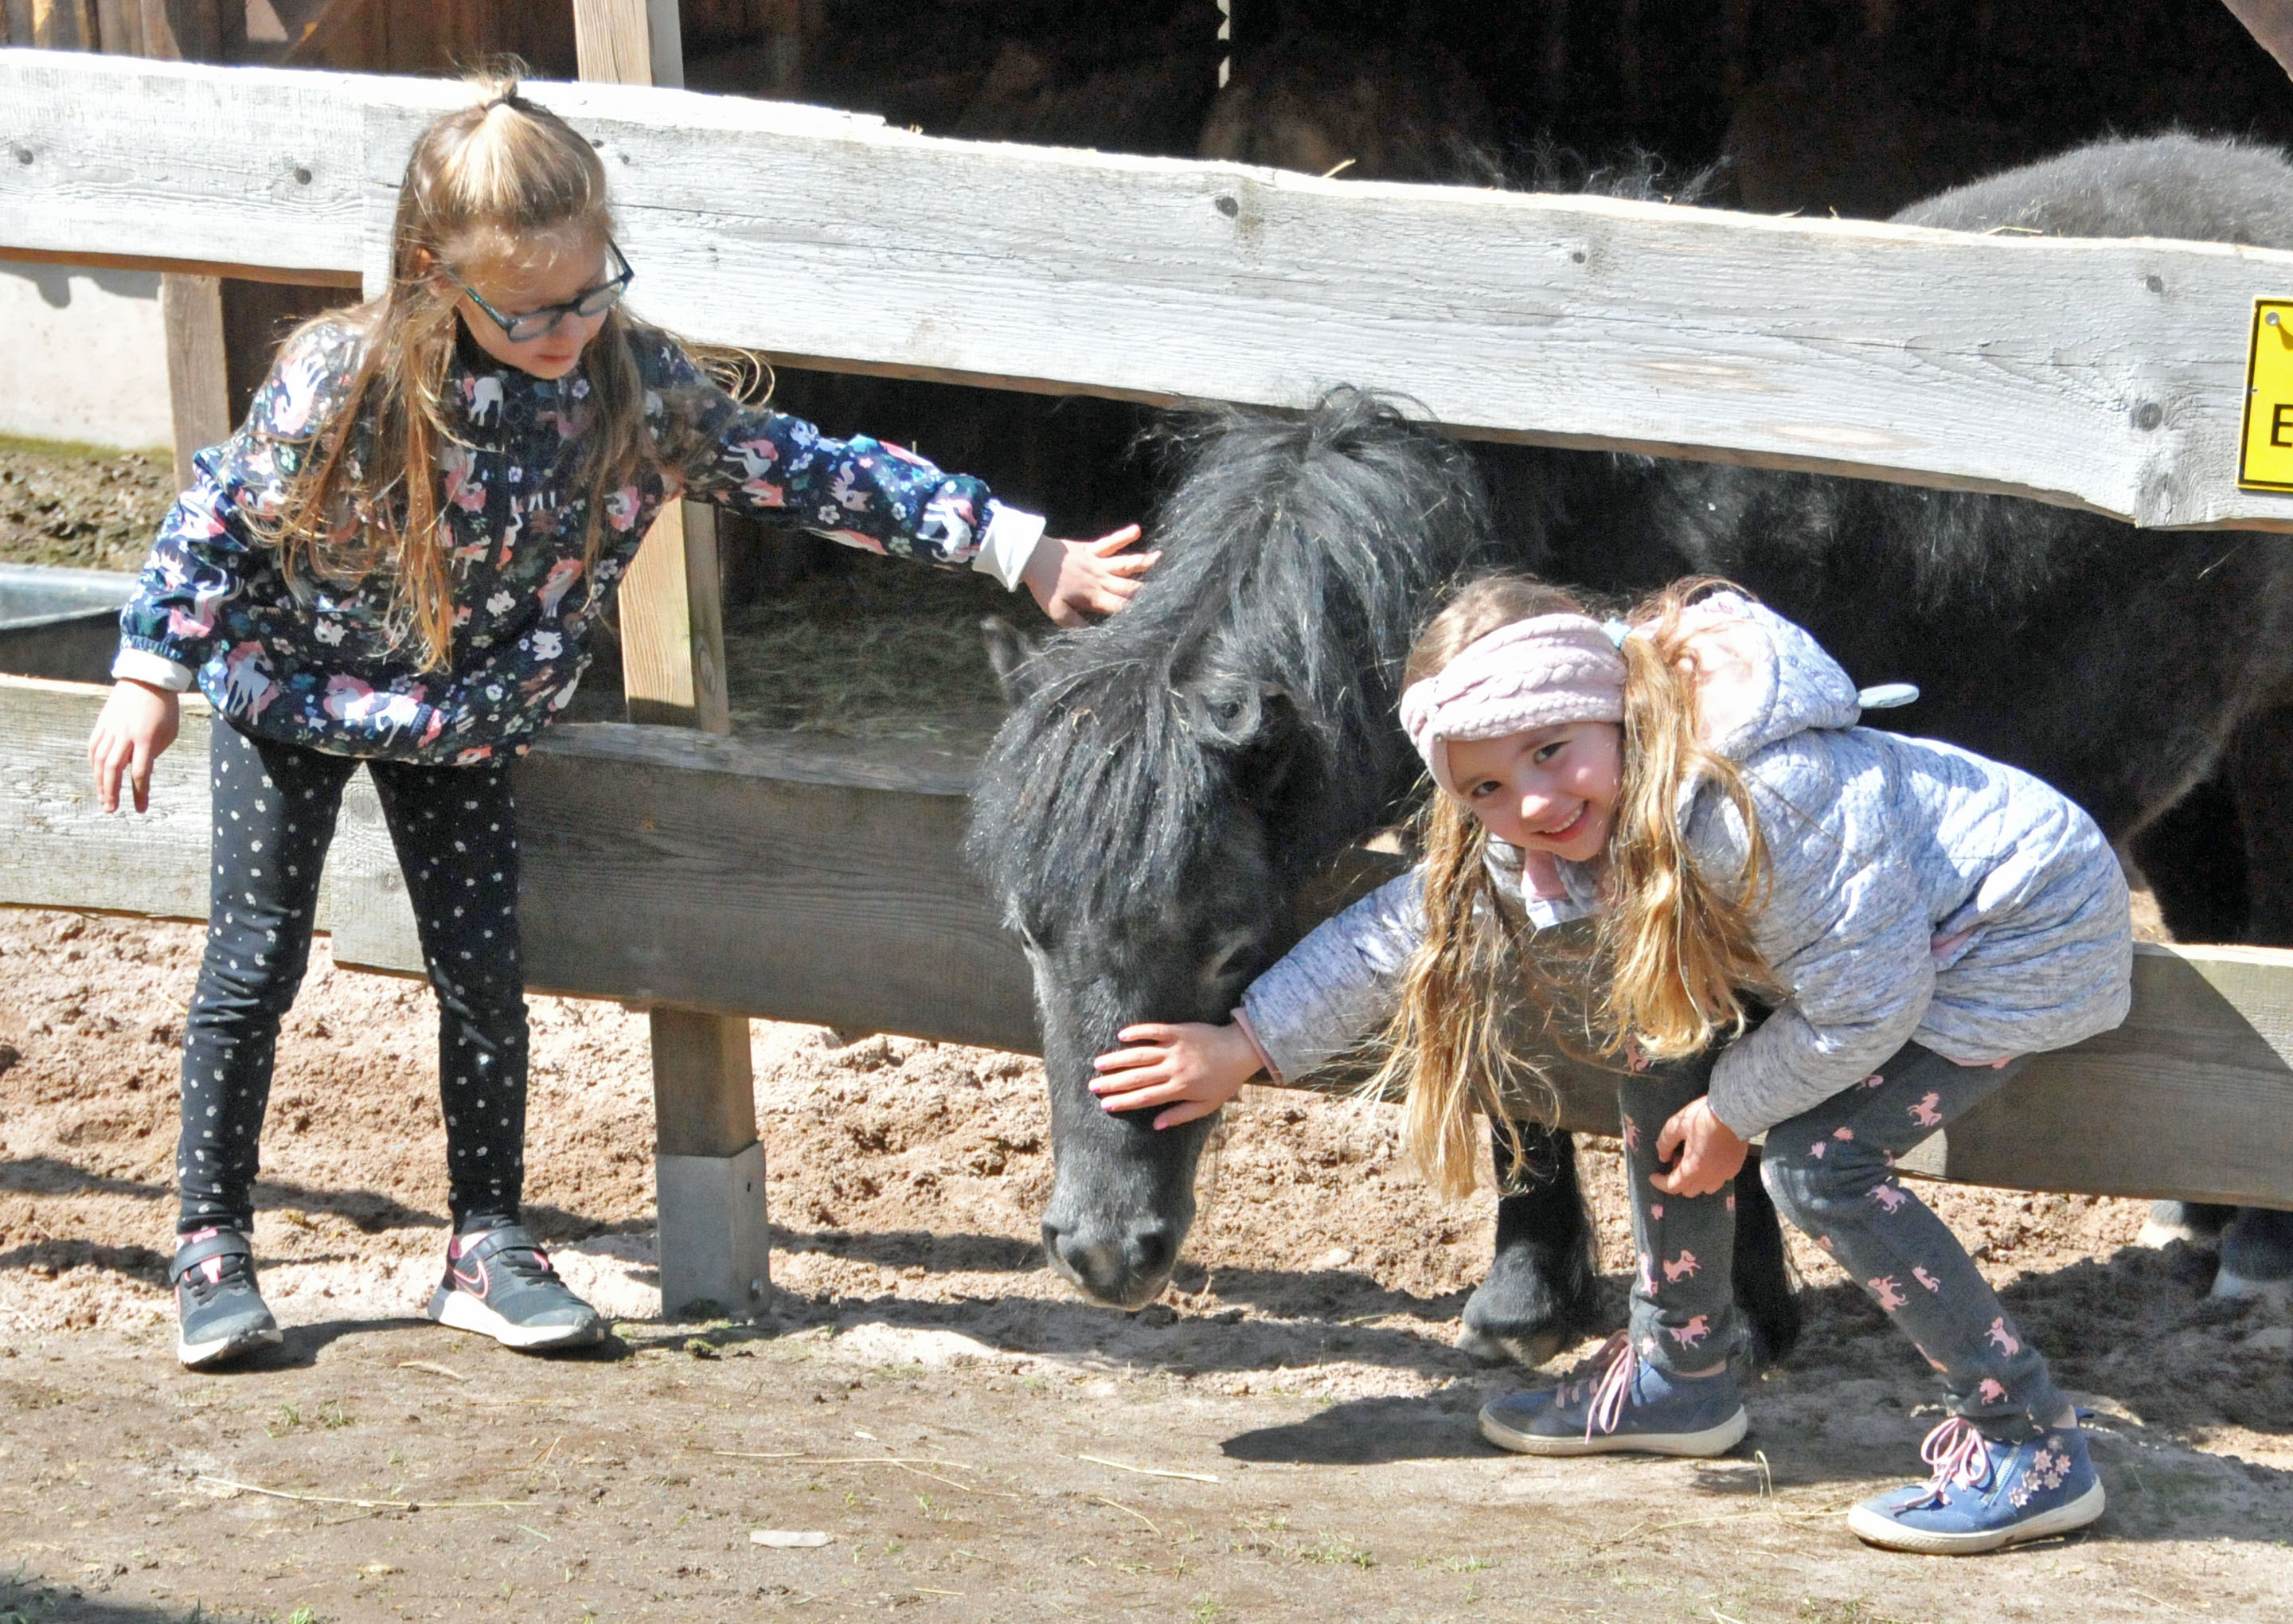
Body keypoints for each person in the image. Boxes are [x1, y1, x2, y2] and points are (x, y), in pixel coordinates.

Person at [85, 78, 1153, 1372]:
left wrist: (1017, 549)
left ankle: (486, 1244)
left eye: (595, 292)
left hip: (464, 715)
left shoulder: (632, 387)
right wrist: (151, 666)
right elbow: (216, 518)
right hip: (288, 688)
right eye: (534, 310)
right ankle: (210, 1245)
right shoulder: (344, 378)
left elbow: (808, 469)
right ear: (436, 277)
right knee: (252, 964)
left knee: (483, 978)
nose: (570, 328)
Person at [1089, 575, 2131, 1555]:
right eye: (1488, 786)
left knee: (1821, 1166)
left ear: (1618, 710)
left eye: (1553, 752)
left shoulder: (1758, 801)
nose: (1532, 804)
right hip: (1863, 961)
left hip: (2009, 943)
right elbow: (1406, 929)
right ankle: (1682, 1373)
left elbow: (1869, 1007)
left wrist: (1732, 1112)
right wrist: (1246, 1044)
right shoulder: (1569, 819)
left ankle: (2028, 1440)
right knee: (1653, 1025)